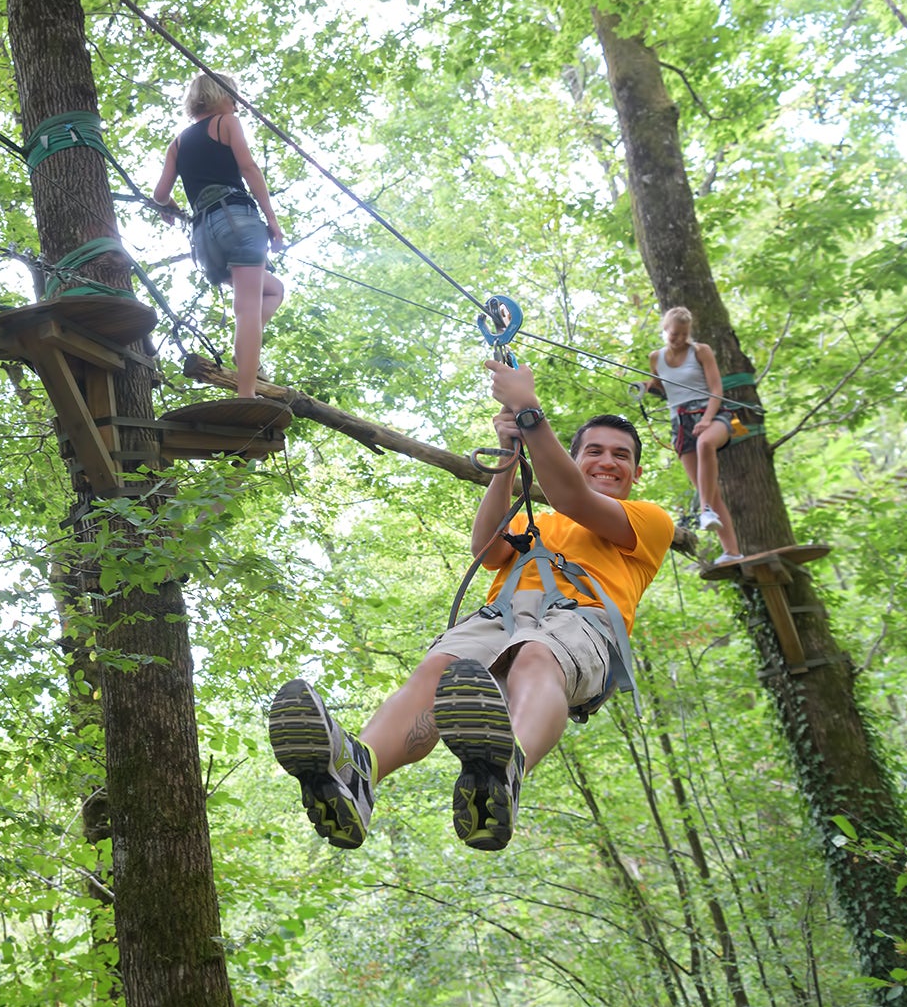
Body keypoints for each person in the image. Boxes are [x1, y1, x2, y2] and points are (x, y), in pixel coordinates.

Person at [267, 360, 674, 851]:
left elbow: (571, 495)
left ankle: (506, 769)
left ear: (637, 472)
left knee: (537, 656)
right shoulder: (539, 518)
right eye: (594, 451)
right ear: (573, 457)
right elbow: (487, 549)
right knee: (438, 670)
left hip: (579, 620)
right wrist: (508, 455)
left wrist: (529, 410)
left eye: (621, 455)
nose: (608, 461)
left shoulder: (649, 520)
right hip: (500, 616)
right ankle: (360, 774)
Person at [152, 72, 285, 398]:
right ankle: (246, 394)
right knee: (247, 309)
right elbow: (249, 168)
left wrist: (169, 206)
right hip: (236, 219)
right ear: (218, 96)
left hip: (205, 239)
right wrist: (272, 220)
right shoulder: (226, 122)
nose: (236, 105)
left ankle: (245, 351)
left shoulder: (178, 143)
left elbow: (159, 194)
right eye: (233, 97)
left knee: (273, 291)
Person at [645, 306, 742, 565]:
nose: (678, 339)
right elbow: (663, 388)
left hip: (712, 413)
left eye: (683, 334)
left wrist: (708, 419)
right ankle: (732, 551)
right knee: (707, 488)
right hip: (681, 421)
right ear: (665, 330)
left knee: (706, 443)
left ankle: (704, 511)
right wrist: (647, 387)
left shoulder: (700, 351)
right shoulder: (656, 358)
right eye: (674, 333)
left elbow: (716, 388)